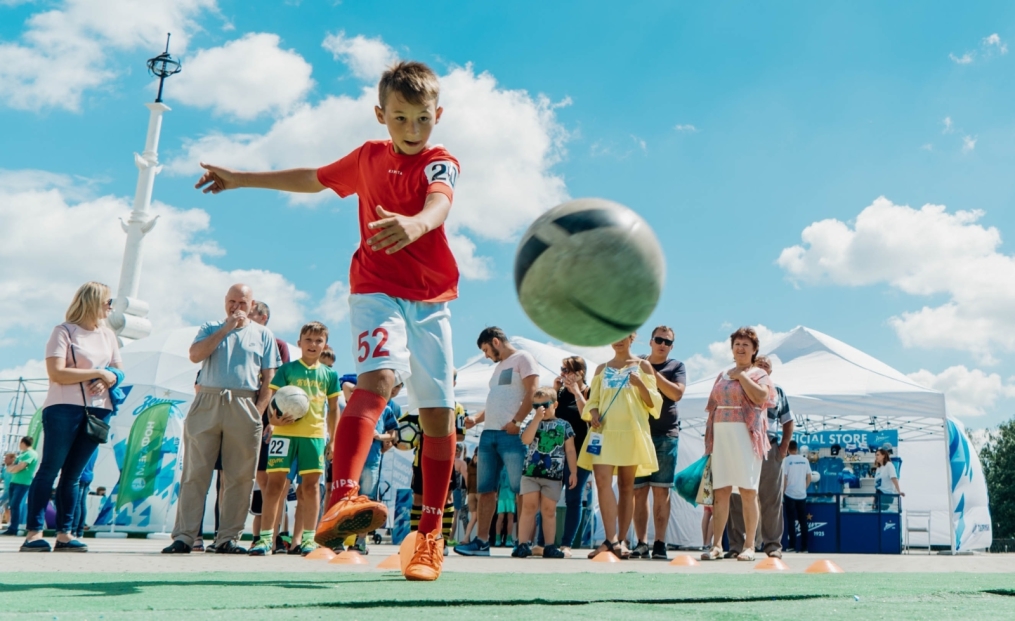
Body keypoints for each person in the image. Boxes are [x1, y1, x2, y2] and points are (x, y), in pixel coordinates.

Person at [196, 61, 461, 581]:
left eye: (423, 119)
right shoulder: (366, 158)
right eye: (401, 118)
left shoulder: (440, 160)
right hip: (376, 288)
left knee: (438, 417)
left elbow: (440, 202)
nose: (412, 131)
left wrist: (416, 223)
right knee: (378, 379)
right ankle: (343, 498)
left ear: (438, 116)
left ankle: (429, 536)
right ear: (380, 114)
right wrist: (240, 178)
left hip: (431, 297)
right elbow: (312, 179)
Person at [162, 283, 280, 555]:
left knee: (240, 476)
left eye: (241, 302)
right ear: (225, 302)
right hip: (208, 400)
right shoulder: (210, 327)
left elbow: (269, 379)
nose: (236, 307)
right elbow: (195, 355)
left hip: (244, 402)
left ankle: (228, 538)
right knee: (195, 473)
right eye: (231, 301)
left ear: (252, 305)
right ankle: (184, 536)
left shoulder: (264, 335)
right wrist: (226, 328)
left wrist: (258, 413)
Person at [23, 282, 122, 553]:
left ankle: (65, 535)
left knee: (74, 476)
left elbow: (118, 371)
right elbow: (57, 373)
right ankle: (33, 533)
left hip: (98, 411)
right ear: (93, 301)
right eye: (107, 300)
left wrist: (108, 379)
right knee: (49, 469)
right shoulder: (63, 331)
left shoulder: (108, 335)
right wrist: (98, 374)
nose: (110, 306)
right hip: (63, 408)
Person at [249, 321, 338, 557]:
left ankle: (309, 539)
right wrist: (273, 421)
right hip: (284, 435)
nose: (313, 344)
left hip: (314, 436)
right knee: (274, 485)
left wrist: (333, 440)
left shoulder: (330, 374)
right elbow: (273, 399)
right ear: (299, 343)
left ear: (324, 345)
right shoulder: (287, 370)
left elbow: (334, 408)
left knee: (311, 488)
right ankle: (266, 539)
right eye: (308, 340)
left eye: (318, 341)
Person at [455, 328, 539, 556]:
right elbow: (495, 401)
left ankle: (524, 543)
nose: (485, 355)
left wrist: (517, 421)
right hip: (488, 435)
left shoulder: (524, 358)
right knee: (485, 490)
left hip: (512, 435)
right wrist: (476, 418)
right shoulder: (498, 368)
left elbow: (532, 392)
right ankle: (482, 542)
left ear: (495, 342)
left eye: (485, 350)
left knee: (521, 490)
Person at [579, 333, 662, 560]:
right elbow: (593, 401)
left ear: (632, 337)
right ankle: (611, 539)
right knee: (602, 481)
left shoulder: (643, 365)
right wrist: (594, 413)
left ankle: (621, 541)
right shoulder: (601, 369)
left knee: (627, 486)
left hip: (632, 432)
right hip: (604, 433)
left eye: (623, 335)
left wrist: (640, 386)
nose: (618, 340)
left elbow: (654, 402)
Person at [700, 327, 775, 563]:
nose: (740, 348)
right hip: (721, 435)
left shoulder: (759, 374)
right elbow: (712, 405)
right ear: (732, 349)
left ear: (754, 350)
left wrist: (742, 376)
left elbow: (762, 398)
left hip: (745, 435)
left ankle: (750, 545)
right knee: (720, 491)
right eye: (737, 344)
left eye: (746, 345)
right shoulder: (722, 373)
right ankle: (716, 546)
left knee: (747, 490)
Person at [727, 355, 793, 558]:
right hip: (742, 445)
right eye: (760, 364)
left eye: (768, 366)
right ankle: (737, 546)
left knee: (771, 499)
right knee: (737, 498)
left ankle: (773, 545)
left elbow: (788, 421)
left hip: (769, 447)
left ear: (770, 372)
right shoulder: (739, 384)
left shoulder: (778, 390)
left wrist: (782, 449)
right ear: (754, 367)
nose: (764, 367)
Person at [631, 326, 686, 560]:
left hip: (666, 435)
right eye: (659, 339)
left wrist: (651, 373)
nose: (662, 343)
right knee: (639, 493)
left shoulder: (677, 366)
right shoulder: (635, 362)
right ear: (651, 342)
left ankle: (660, 543)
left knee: (661, 492)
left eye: (667, 341)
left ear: (671, 346)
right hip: (639, 435)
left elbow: (676, 394)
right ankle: (641, 543)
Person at [514, 387, 577, 559]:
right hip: (531, 474)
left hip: (553, 476)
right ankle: (522, 544)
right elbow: (526, 440)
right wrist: (536, 419)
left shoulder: (564, 425)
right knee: (528, 508)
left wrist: (573, 472)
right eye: (536, 406)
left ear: (555, 404)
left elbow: (570, 451)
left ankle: (550, 545)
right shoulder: (532, 422)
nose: (541, 409)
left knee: (549, 510)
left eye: (545, 405)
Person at [249, 300, 289, 546]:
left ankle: (271, 537)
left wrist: (273, 420)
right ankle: (260, 536)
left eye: (251, 312)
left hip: (269, 417)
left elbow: (279, 384)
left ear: (263, 318)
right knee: (258, 481)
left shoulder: (278, 345)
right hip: (244, 410)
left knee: (271, 481)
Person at [351, 382, 401, 554]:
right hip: (353, 458)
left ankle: (361, 541)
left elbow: (394, 434)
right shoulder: (357, 404)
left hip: (372, 460)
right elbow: (347, 386)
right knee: (347, 497)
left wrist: (379, 436)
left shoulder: (386, 409)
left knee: (367, 500)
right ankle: (341, 538)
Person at [553, 356, 590, 557]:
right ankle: (545, 542)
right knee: (549, 497)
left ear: (579, 373)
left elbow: (589, 417)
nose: (563, 373)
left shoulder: (588, 391)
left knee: (573, 498)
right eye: (562, 369)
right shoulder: (559, 392)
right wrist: (554, 390)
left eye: (566, 370)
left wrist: (576, 392)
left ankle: (566, 544)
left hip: (580, 453)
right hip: (556, 454)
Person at [3, 437, 39, 536]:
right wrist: (13, 468)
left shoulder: (31, 454)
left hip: (23, 483)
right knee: (12, 505)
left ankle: (14, 528)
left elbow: (20, 467)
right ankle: (12, 526)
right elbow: (11, 467)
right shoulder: (22, 455)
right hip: (14, 482)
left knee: (15, 505)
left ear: (23, 443)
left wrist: (13, 468)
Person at [782, 440, 811, 553]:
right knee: (803, 521)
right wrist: (804, 488)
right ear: (797, 449)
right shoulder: (805, 460)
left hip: (789, 494)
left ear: (788, 449)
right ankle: (804, 547)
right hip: (801, 495)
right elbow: (809, 477)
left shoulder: (786, 461)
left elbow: (784, 478)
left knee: (791, 521)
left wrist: (783, 492)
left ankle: (792, 546)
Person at [71, 450, 98, 538]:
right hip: (88, 475)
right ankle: (79, 531)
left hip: (81, 476)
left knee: (77, 503)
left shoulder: (85, 444)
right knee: (81, 503)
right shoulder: (96, 447)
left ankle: (74, 530)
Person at [462, 452, 479, 543]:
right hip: (479, 493)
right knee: (480, 517)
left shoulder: (469, 466)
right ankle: (479, 538)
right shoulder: (482, 466)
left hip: (471, 493)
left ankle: (466, 537)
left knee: (473, 517)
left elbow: (467, 481)